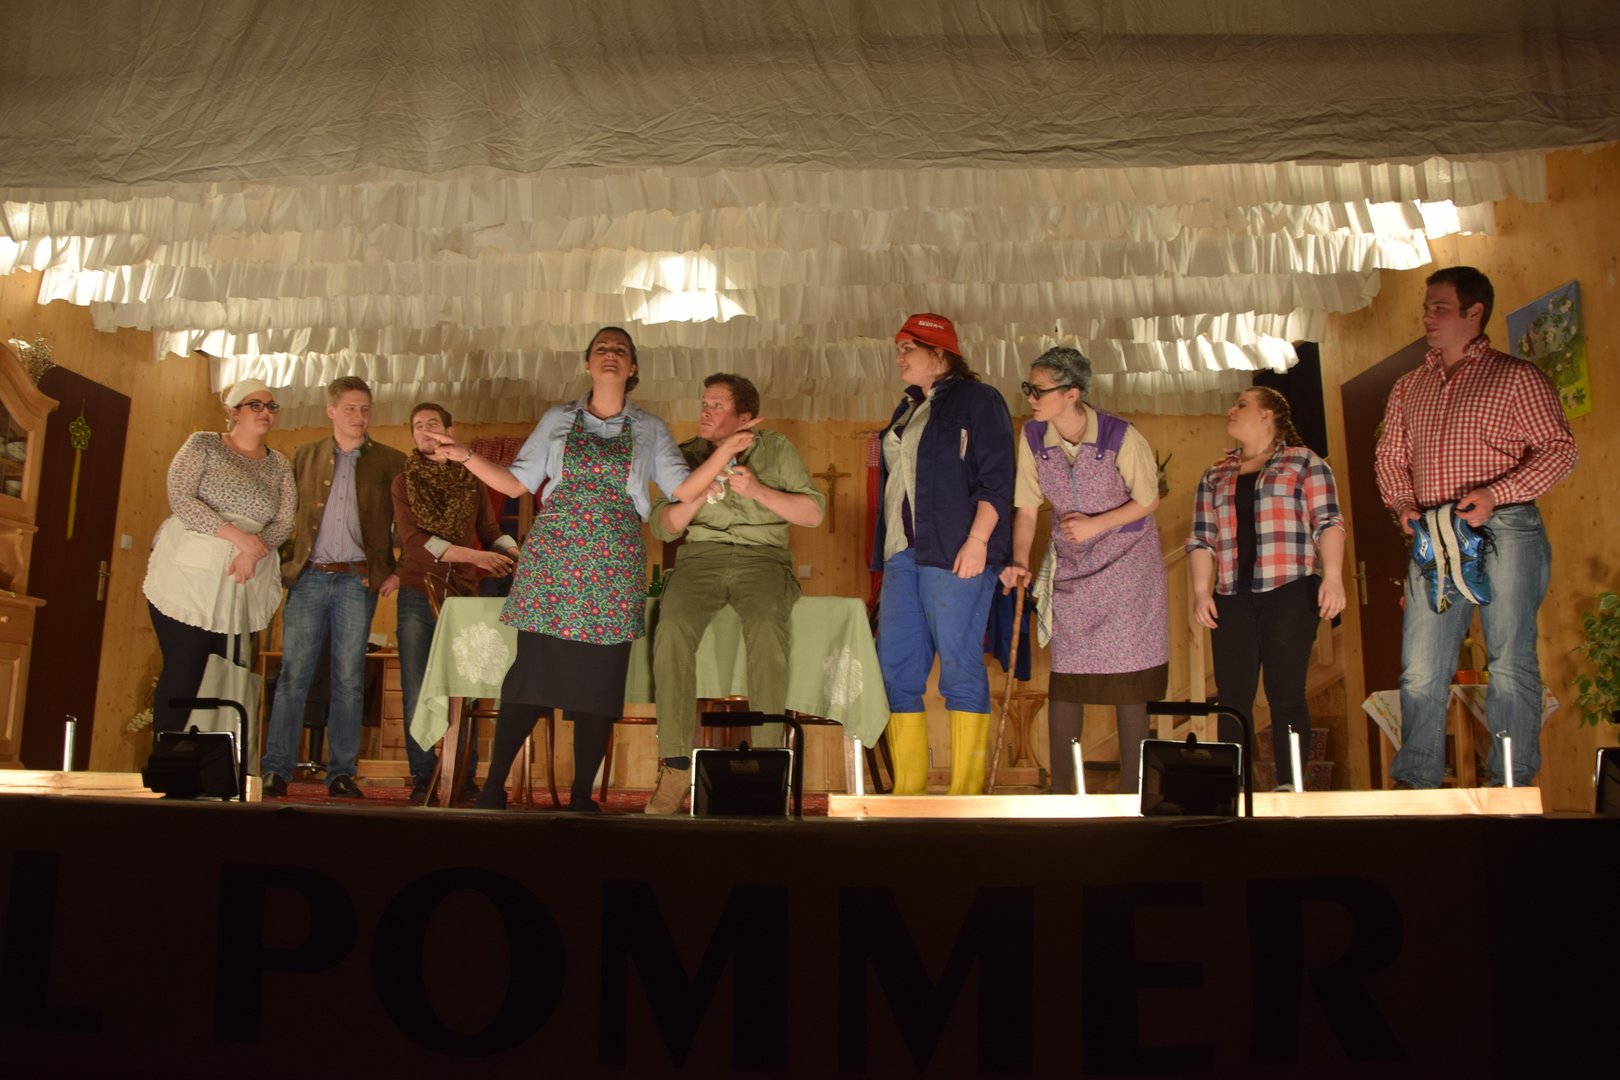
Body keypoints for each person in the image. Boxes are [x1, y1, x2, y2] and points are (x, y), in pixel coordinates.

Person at [425, 327, 751, 812]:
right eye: (602, 348)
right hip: (553, 562)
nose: (610, 354)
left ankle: (581, 796)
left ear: (633, 366)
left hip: (614, 564)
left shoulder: (650, 428)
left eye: (620, 349)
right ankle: (493, 789)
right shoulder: (558, 419)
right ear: (587, 363)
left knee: (598, 684)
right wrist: (464, 454)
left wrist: (724, 452)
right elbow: (515, 485)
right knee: (531, 676)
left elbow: (683, 490)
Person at [1375, 265, 1577, 788]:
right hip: (1433, 532)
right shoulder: (1409, 387)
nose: (1428, 317)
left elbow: (1560, 450)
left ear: (1474, 312)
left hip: (1507, 525)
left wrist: (1495, 495)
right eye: (1426, 307)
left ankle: (1509, 782)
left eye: (1440, 307)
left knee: (1509, 657)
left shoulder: (1515, 377)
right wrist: (1403, 506)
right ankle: (1418, 782)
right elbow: (1389, 458)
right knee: (1421, 665)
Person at [643, 374, 825, 814]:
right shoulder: (685, 453)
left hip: (763, 557)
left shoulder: (776, 448)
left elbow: (813, 513)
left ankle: (768, 761)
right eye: (704, 403)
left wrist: (758, 490)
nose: (705, 412)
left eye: (717, 405)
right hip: (700, 558)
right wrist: (696, 495)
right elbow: (662, 527)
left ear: (745, 417)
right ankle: (675, 764)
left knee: (766, 627)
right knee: (672, 629)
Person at [999, 347, 1168, 795]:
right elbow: (1027, 509)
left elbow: (1148, 499)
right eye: (1029, 388)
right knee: (1068, 677)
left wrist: (1097, 524)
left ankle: (1134, 796)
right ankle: (1063, 794)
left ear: (1072, 393)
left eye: (1039, 390)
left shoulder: (1119, 435)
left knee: (1129, 678)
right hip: (1073, 569)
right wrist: (1020, 560)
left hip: (1129, 566)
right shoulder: (1033, 436)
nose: (1030, 397)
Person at [872, 313, 1013, 796]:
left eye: (907, 347)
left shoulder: (979, 399)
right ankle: (908, 791)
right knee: (896, 671)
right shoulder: (907, 408)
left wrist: (979, 541)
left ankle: (965, 795)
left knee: (959, 667)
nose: (899, 357)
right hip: (902, 553)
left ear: (938, 352)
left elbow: (998, 478)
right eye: (898, 348)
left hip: (956, 551)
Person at [1186, 387, 1346, 790]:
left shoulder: (1303, 462)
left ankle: (1290, 787)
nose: (1231, 409)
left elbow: (1328, 522)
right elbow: (1202, 538)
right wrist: (1202, 591)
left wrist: (1333, 576)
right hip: (1231, 596)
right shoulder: (1215, 474)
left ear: (1266, 415)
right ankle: (1234, 789)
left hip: (1290, 590)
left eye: (1242, 404)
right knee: (1232, 697)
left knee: (1285, 692)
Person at [261, 376, 405, 799]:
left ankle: (341, 772)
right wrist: (280, 563)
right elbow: (282, 517)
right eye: (350, 408)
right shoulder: (304, 456)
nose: (359, 416)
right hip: (308, 577)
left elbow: (406, 524)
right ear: (331, 411)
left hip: (357, 581)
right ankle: (276, 769)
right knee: (293, 676)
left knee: (349, 678)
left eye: (365, 409)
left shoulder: (391, 461)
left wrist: (392, 569)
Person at [143, 379, 296, 735]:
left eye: (271, 406)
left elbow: (284, 521)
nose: (265, 412)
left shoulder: (279, 465)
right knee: (185, 669)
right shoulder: (204, 444)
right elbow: (181, 498)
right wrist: (236, 536)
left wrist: (253, 551)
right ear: (233, 411)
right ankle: (169, 758)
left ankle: (217, 760)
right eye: (255, 404)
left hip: (244, 580)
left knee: (230, 675)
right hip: (190, 578)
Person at [391, 402, 519, 804]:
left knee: (468, 688)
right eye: (418, 425)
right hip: (417, 594)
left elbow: (490, 531)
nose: (425, 430)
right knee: (417, 688)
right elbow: (415, 543)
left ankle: (462, 775)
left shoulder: (473, 478)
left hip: (465, 598)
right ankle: (423, 776)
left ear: (449, 431)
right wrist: (476, 557)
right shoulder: (403, 482)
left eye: (433, 423)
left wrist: (515, 553)